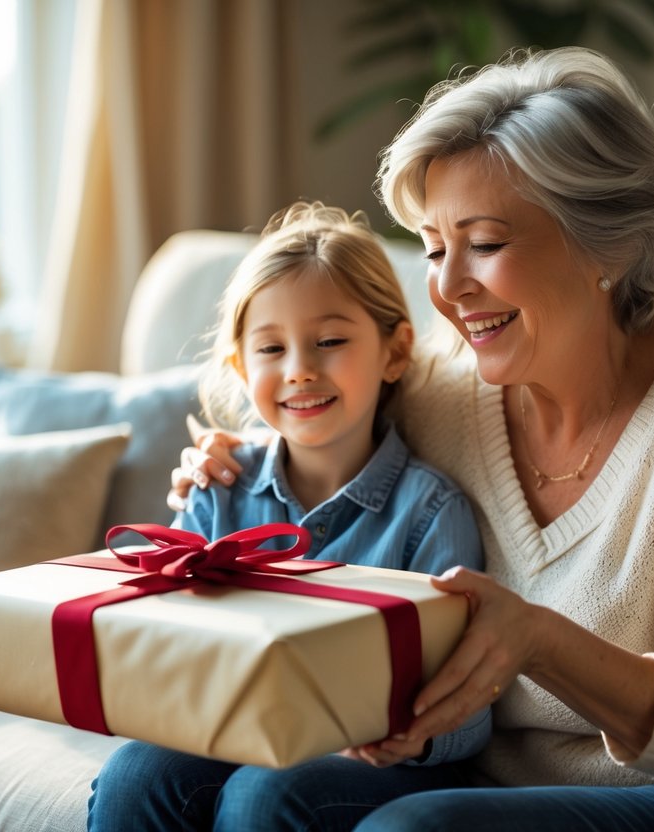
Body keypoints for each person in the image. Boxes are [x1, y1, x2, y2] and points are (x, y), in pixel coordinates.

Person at [160, 46, 654, 831]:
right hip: (460, 771)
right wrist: (226, 459)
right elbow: (308, 414)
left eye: (485, 243)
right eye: (436, 249)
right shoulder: (440, 393)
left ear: (601, 242)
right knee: (170, 777)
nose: (446, 286)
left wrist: (539, 642)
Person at [88, 201, 490, 831]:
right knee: (137, 774)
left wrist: (411, 736)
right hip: (236, 734)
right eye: (271, 348)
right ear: (242, 369)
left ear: (394, 351)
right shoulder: (216, 492)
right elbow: (161, 649)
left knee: (261, 795)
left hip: (383, 767)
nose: (300, 369)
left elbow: (468, 713)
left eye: (330, 342)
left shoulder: (430, 512)